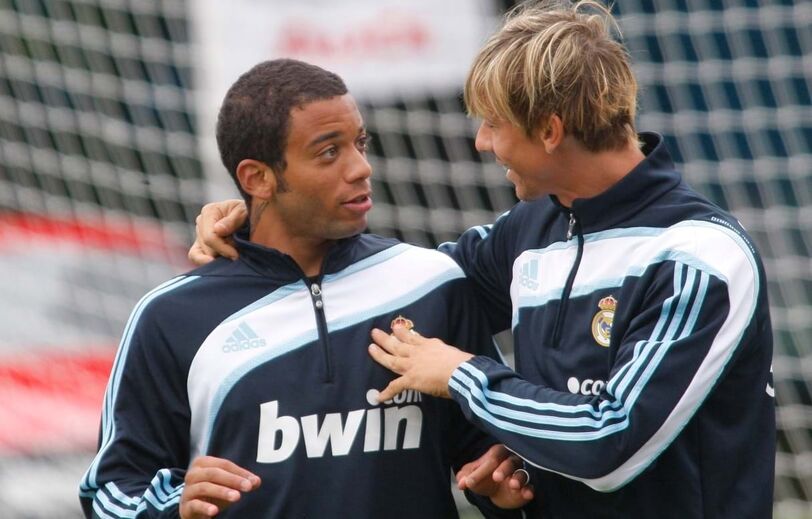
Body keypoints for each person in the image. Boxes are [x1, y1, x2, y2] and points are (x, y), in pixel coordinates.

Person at [190, 1, 776, 518]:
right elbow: (397, 289)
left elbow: (610, 442)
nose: (482, 142)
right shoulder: (532, 229)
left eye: (494, 124)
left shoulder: (698, 257)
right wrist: (264, 220)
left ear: (550, 131)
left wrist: (461, 375)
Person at [79, 58, 530, 519]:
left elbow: (492, 456)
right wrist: (174, 506)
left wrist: (500, 485)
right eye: (329, 152)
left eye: (360, 143)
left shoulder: (431, 283)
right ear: (258, 178)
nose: (361, 168)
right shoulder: (170, 316)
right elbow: (109, 492)